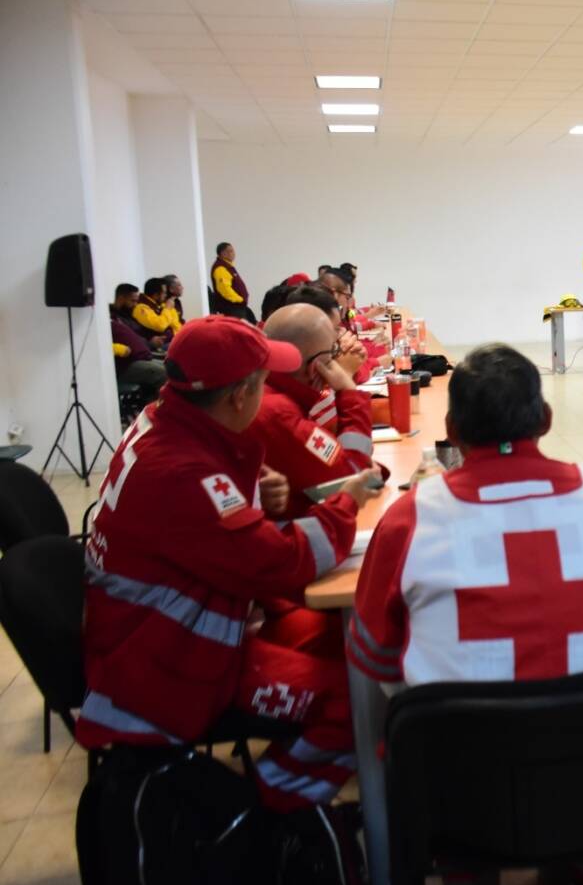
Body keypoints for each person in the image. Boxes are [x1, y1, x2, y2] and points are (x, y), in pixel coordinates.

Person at [352, 344, 583, 885]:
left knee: (430, 735)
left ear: (451, 429)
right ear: (546, 419)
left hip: (464, 795)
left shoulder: (408, 520)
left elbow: (374, 658)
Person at [77, 315, 384, 812]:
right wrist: (346, 502)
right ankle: (263, 812)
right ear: (239, 396)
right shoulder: (185, 473)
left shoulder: (161, 424)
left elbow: (208, 527)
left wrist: (249, 492)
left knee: (351, 646)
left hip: (184, 631)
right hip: (172, 668)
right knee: (356, 701)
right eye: (263, 383)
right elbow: (286, 562)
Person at [252, 303, 378, 519]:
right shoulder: (280, 413)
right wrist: (349, 391)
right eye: (333, 353)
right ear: (316, 367)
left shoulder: (271, 394)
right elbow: (352, 479)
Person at [110, 301, 165, 402]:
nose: (135, 303)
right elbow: (103, 347)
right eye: (133, 300)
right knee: (163, 373)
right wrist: (121, 349)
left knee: (169, 366)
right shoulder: (100, 326)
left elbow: (136, 335)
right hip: (125, 365)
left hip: (141, 355)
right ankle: (160, 412)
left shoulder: (119, 319)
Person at [210, 241, 253, 323]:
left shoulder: (228, 266)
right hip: (231, 308)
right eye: (231, 251)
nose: (233, 253)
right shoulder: (220, 268)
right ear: (223, 253)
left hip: (237, 307)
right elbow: (224, 289)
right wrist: (239, 300)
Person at [131, 277, 180, 347]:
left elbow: (175, 324)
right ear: (156, 295)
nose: (166, 296)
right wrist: (167, 308)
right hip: (157, 345)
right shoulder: (141, 308)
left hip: (172, 339)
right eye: (164, 293)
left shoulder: (159, 305)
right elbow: (160, 325)